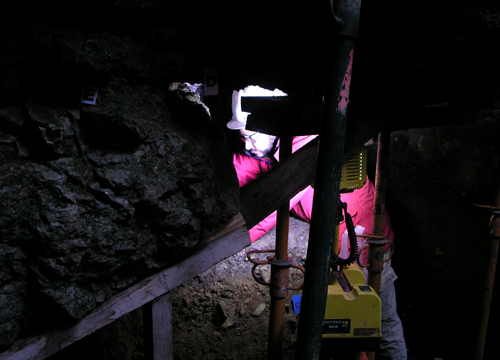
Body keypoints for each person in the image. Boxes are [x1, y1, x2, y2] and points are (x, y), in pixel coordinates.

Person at [227, 86, 407, 360]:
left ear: (272, 127)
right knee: (353, 328)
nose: (248, 143)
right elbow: (252, 169)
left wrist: (235, 238)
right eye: (242, 136)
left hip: (365, 241)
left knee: (378, 321)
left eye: (251, 134)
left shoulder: (306, 150)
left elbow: (273, 203)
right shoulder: (278, 149)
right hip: (348, 239)